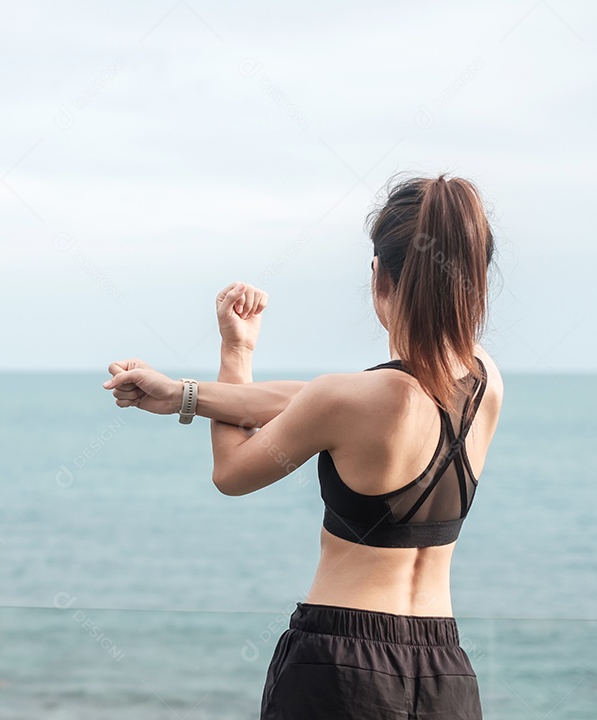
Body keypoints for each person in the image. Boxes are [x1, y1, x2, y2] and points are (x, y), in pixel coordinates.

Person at [101, 172, 503, 719]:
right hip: (445, 673)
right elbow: (322, 401)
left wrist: (236, 352)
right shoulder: (486, 382)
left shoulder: (349, 401)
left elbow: (232, 471)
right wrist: (181, 394)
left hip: (342, 666)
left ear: (380, 276)